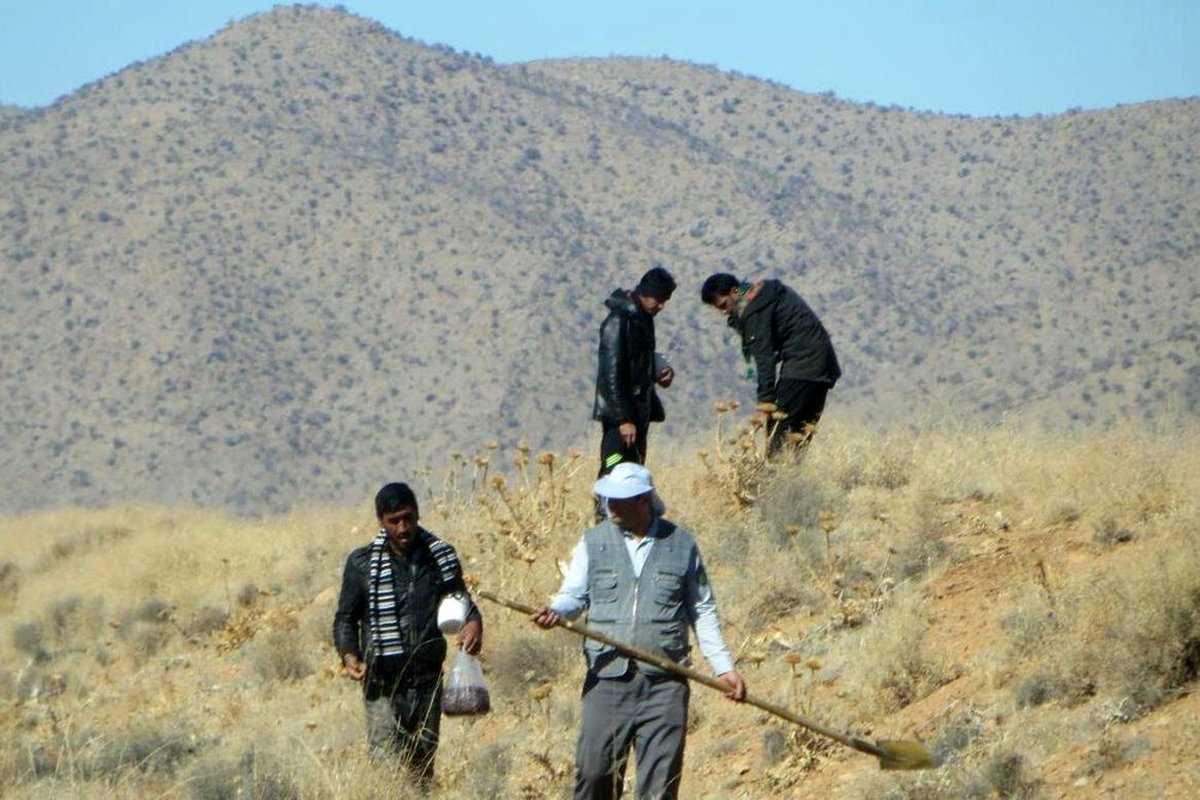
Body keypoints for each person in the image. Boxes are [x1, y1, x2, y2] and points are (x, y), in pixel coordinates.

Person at [530, 463, 746, 800]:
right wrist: (556, 611)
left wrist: (724, 667)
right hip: (606, 680)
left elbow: (701, 609)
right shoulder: (593, 542)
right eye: (607, 499)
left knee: (659, 788)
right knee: (593, 775)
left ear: (644, 500)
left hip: (665, 683)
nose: (610, 506)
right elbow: (575, 595)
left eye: (620, 500)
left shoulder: (682, 544)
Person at [333, 481, 483, 789]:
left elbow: (461, 601)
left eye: (408, 518)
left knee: (421, 770)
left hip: (426, 682)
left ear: (417, 515)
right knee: (387, 768)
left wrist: (473, 624)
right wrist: (349, 655)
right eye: (394, 521)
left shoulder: (439, 557)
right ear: (381, 521)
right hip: (382, 684)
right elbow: (345, 618)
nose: (403, 528)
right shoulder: (361, 564)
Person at [700, 272, 841, 454]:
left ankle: (778, 480)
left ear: (734, 292)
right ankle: (797, 480)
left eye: (723, 305)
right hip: (823, 367)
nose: (724, 311)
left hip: (802, 367)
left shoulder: (754, 309)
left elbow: (764, 358)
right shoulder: (766, 293)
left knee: (778, 436)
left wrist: (764, 404)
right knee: (799, 436)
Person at [592, 265, 677, 478]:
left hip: (639, 413)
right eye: (658, 299)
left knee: (635, 469)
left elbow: (640, 360)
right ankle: (603, 510)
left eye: (664, 301)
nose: (661, 306)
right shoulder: (618, 322)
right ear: (645, 293)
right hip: (620, 418)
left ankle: (627, 511)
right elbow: (610, 375)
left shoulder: (642, 320)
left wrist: (660, 372)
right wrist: (623, 419)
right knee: (613, 463)